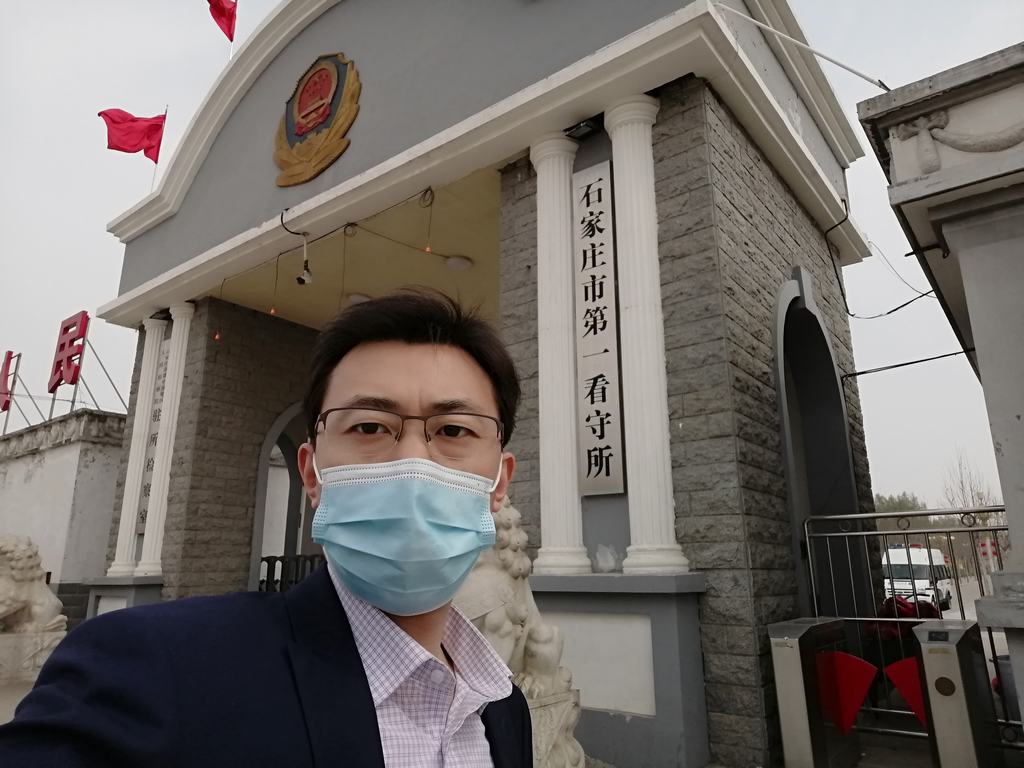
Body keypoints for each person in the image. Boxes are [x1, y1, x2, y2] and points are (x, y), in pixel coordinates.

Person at [0, 292, 532, 767]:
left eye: (454, 429)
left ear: (499, 483)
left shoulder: (504, 709)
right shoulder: (152, 672)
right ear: (312, 474)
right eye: (369, 426)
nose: (412, 461)